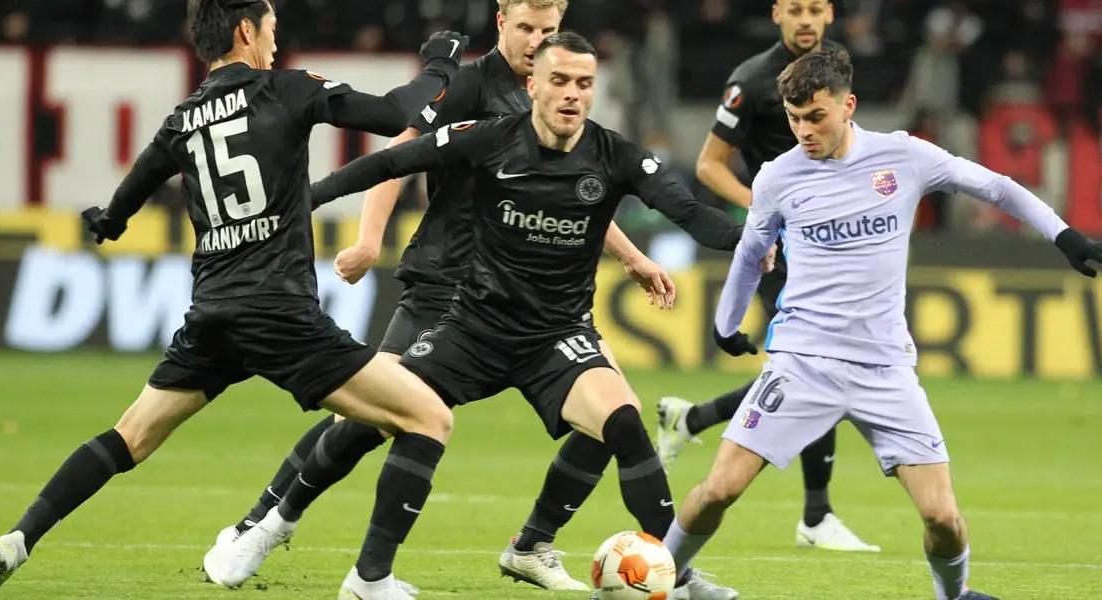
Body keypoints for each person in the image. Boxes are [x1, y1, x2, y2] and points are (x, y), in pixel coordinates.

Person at [0, 1, 469, 598]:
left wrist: (110, 220)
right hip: (280, 315)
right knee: (428, 417)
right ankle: (369, 580)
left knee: (128, 438)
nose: (276, 43)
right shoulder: (288, 89)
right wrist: (439, 65)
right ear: (247, 30)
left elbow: (136, 184)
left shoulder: (183, 119)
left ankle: (17, 539)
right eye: (272, 29)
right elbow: (392, 114)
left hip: (213, 314)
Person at [219, 32, 742, 600]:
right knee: (374, 418)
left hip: (555, 338)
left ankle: (676, 577)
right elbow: (390, 161)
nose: (571, 94)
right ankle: (293, 535)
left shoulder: (617, 155)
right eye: (560, 81)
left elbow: (692, 214)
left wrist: (761, 238)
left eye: (584, 84)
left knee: (621, 421)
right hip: (473, 326)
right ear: (534, 84)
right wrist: (299, 203)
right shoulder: (489, 138)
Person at [663, 49, 1102, 600]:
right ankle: (663, 577)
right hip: (803, 362)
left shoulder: (903, 157)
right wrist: (726, 324)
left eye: (815, 117)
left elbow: (998, 187)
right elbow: (750, 253)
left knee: (944, 519)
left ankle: (952, 596)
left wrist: (1063, 235)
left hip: (885, 368)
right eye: (793, 119)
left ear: (848, 105)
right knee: (718, 489)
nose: (803, 131)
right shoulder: (776, 178)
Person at [656, 0, 878, 553]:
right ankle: (816, 515)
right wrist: (766, 215)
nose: (806, 20)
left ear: (830, 13)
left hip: (836, 243)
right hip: (787, 247)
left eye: (816, 9)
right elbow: (709, 164)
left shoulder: (836, 69)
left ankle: (694, 418)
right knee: (822, 363)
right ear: (777, 13)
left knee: (814, 367)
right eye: (795, 9)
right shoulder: (752, 81)